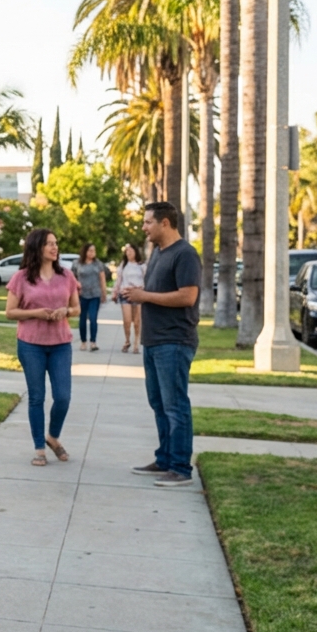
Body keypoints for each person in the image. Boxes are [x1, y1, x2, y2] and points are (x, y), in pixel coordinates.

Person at [122, 202, 201, 488]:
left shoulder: (186, 254)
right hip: (154, 340)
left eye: (147, 222)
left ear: (164, 223)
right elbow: (153, 291)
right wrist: (137, 294)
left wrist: (145, 296)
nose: (143, 228)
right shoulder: (157, 253)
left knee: (175, 405)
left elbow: (187, 297)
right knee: (158, 403)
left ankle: (180, 467)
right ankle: (165, 459)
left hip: (175, 340)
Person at [5, 229, 80, 466]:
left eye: (56, 243)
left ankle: (53, 437)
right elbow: (10, 312)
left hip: (60, 345)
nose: (54, 247)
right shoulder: (22, 278)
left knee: (63, 397)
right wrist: (36, 313)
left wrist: (65, 311)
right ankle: (39, 447)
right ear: (37, 247)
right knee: (37, 397)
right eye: (49, 244)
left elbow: (76, 308)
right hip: (30, 345)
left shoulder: (66, 276)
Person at [73, 243, 107, 351]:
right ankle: (83, 342)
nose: (92, 253)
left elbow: (102, 279)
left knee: (93, 318)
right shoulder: (77, 263)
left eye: (94, 251)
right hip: (82, 295)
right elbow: (72, 278)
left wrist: (104, 293)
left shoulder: (98, 264)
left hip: (95, 294)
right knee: (82, 319)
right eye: (90, 250)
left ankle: (93, 342)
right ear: (85, 251)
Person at [113, 243, 147, 354]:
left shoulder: (141, 266)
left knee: (137, 321)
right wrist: (115, 292)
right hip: (125, 294)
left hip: (138, 294)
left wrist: (141, 289)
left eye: (131, 251)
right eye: (127, 251)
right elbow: (119, 280)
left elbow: (146, 280)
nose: (128, 253)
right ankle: (127, 340)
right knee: (127, 320)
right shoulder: (123, 265)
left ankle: (136, 342)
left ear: (136, 252)